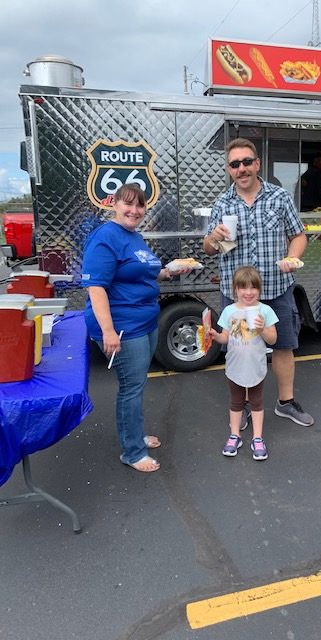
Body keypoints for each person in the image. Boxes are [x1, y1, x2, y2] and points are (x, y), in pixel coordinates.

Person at [203, 137, 314, 427]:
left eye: (247, 162)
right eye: (235, 164)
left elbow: (298, 234)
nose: (242, 168)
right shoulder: (222, 203)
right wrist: (213, 238)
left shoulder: (279, 197)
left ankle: (285, 403)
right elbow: (208, 248)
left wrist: (292, 257)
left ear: (257, 163)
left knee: (284, 345)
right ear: (229, 169)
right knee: (239, 350)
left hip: (276, 286)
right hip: (236, 292)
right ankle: (242, 408)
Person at [81, 184, 190, 472]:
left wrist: (170, 270)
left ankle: (134, 435)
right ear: (114, 204)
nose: (134, 210)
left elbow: (146, 273)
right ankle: (132, 452)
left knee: (136, 384)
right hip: (123, 326)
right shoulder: (105, 238)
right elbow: (96, 288)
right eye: (128, 204)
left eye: (140, 205)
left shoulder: (134, 236)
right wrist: (107, 331)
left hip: (145, 321)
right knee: (131, 388)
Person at [210, 266, 278, 460]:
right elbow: (225, 338)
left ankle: (258, 438)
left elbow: (273, 339)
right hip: (234, 366)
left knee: (256, 402)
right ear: (235, 290)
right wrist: (215, 336)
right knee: (236, 401)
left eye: (253, 288)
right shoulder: (229, 310)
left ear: (260, 289)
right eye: (243, 288)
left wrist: (263, 328)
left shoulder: (265, 310)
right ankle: (235, 435)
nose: (248, 293)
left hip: (256, 365)